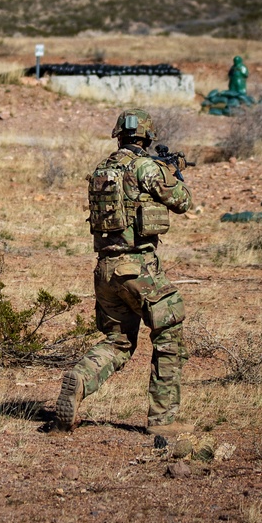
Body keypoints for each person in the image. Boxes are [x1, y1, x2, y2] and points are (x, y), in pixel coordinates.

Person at [52, 108, 192, 436]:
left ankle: (81, 379)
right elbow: (182, 201)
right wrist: (172, 172)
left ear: (119, 136)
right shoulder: (146, 167)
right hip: (136, 269)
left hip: (105, 270)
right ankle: (163, 420)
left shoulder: (103, 169)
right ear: (146, 138)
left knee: (118, 341)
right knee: (169, 329)